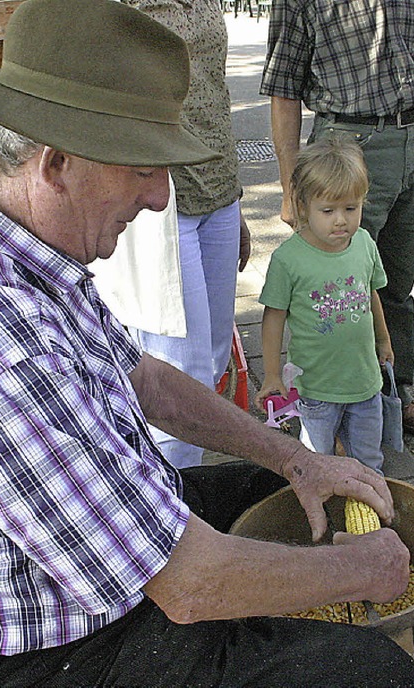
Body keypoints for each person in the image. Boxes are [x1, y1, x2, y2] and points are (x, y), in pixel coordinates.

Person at [0, 1, 414, 686]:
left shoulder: (14, 246)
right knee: (375, 672)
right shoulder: (7, 355)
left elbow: (144, 381)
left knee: (277, 488)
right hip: (45, 654)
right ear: (55, 163)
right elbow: (186, 585)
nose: (161, 199)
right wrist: (359, 571)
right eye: (140, 169)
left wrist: (293, 458)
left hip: (84, 563)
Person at [260, 0, 414, 438]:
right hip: (345, 145)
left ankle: (393, 390)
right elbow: (284, 87)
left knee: (393, 282)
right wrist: (290, 188)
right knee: (327, 286)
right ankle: (316, 400)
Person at [98, 0, 251, 469]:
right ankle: (174, 506)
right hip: (159, 199)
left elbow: (215, 91)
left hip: (218, 188)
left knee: (216, 355)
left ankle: (179, 487)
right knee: (179, 366)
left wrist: (236, 202)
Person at [255, 139, 392, 475]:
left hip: (364, 383)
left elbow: (372, 293)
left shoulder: (364, 244)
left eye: (351, 208)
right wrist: (272, 373)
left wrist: (384, 339)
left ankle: (370, 522)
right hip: (315, 388)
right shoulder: (288, 259)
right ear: (303, 205)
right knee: (316, 463)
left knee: (369, 461)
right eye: (328, 211)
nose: (341, 221)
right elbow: (273, 318)